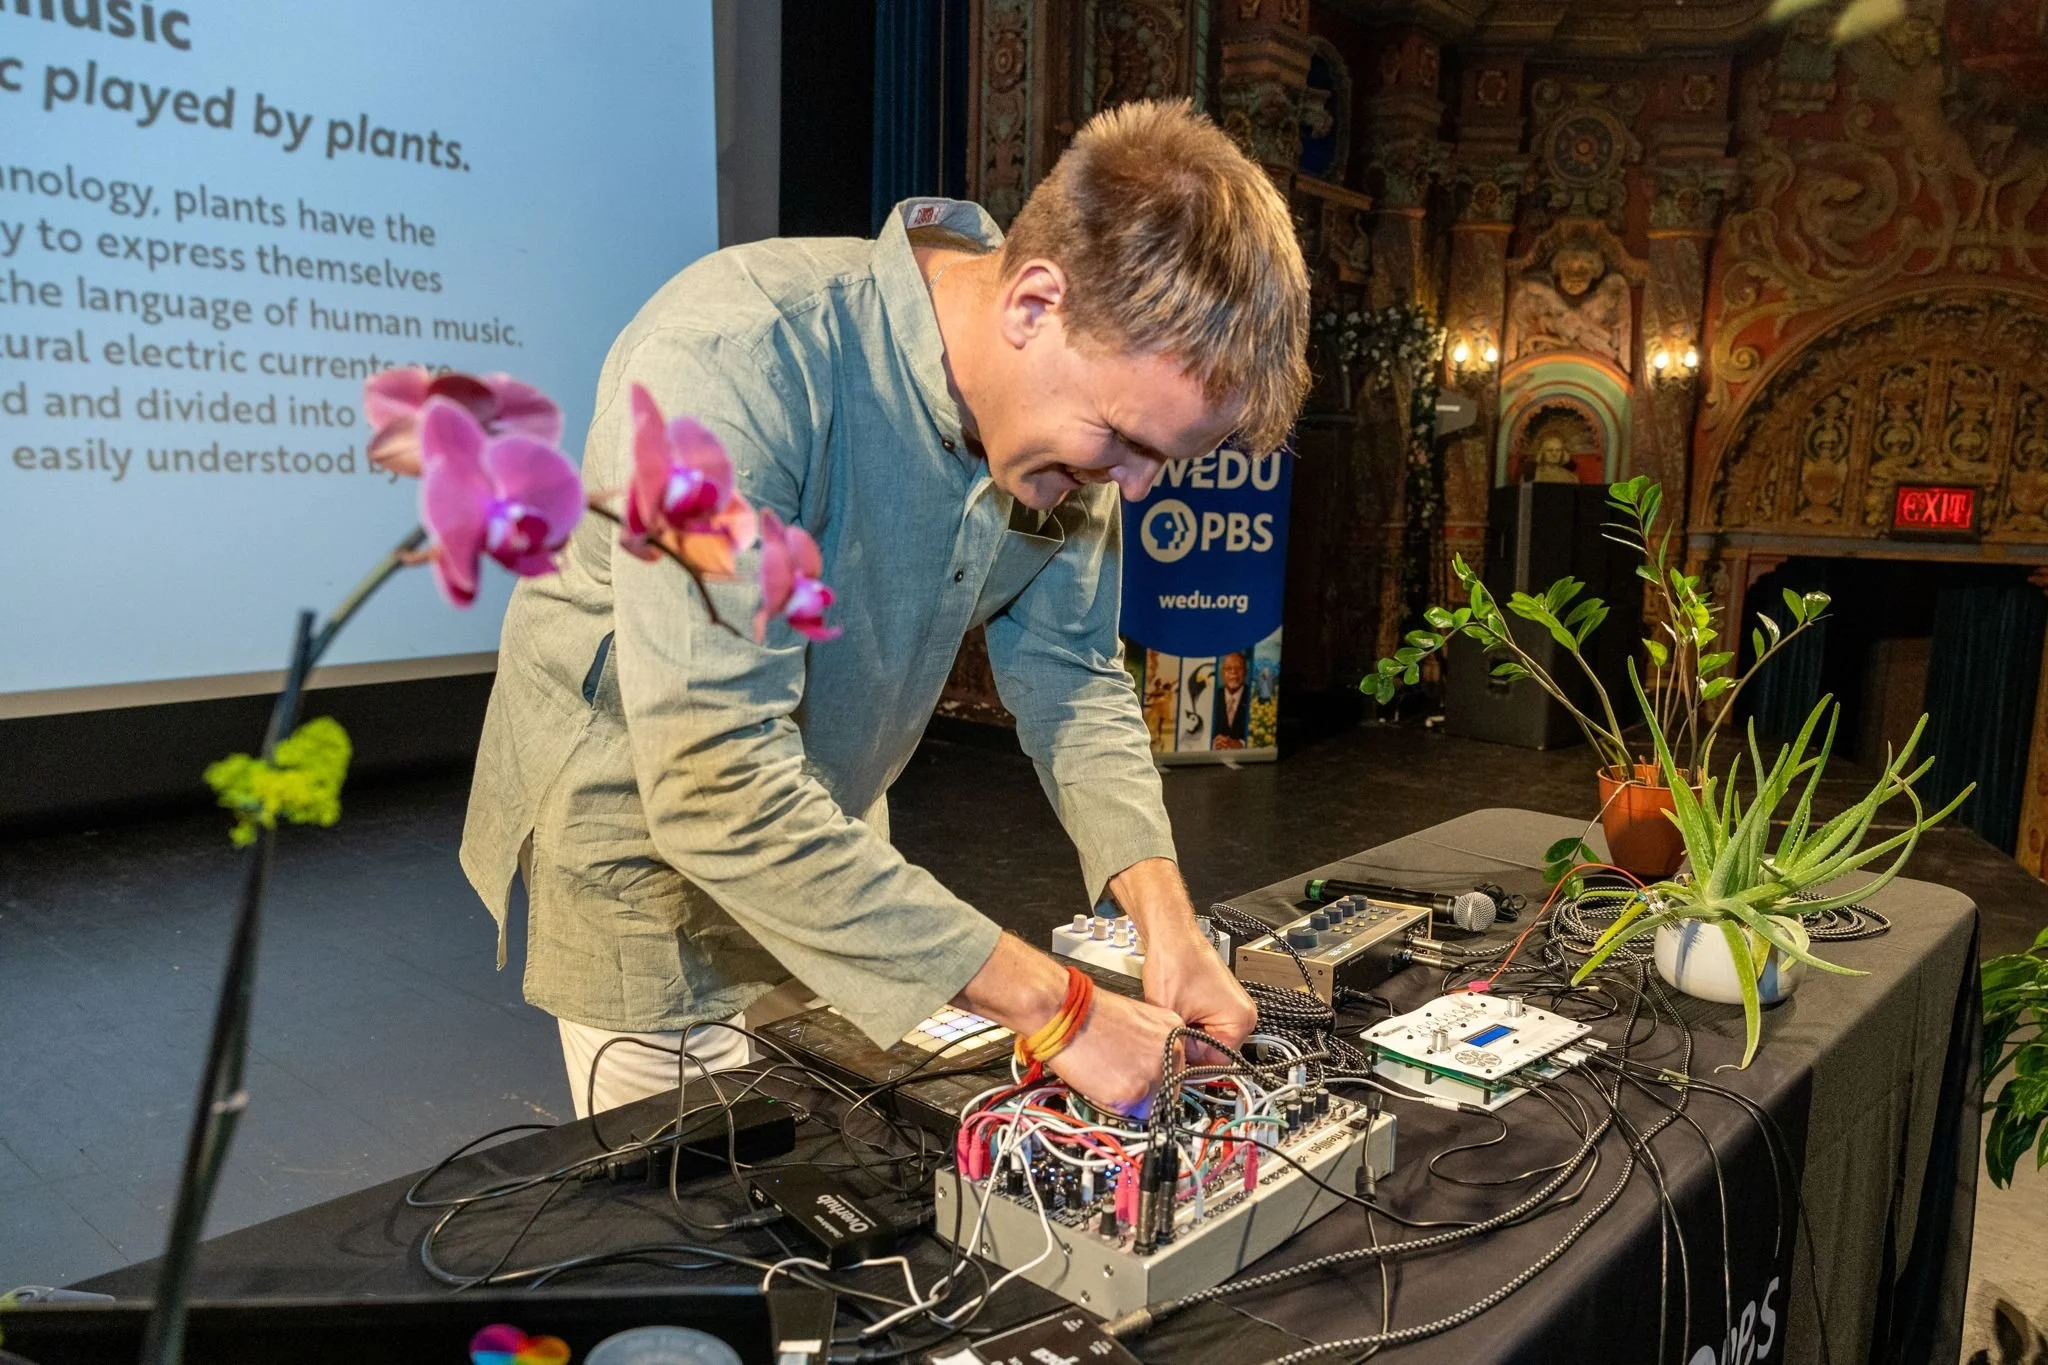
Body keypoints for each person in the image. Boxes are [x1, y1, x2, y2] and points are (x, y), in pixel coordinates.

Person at [459, 99, 1308, 1120]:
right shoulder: (730, 364)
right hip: (643, 845)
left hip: (825, 820)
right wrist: (1063, 1010)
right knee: (701, 1209)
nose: (1130, 489)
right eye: (1124, 443)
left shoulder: (1068, 414)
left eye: (1161, 459)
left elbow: (1075, 687)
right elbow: (716, 784)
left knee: (839, 1157)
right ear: (1034, 304)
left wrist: (1165, 932)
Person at [1213, 652, 1251, 746]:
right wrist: (1214, 743)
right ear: (1222, 673)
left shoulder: (1254, 696)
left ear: (1246, 672)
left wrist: (1241, 744)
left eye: (1239, 668)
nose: (1233, 672)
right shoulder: (1212, 696)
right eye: (1228, 668)